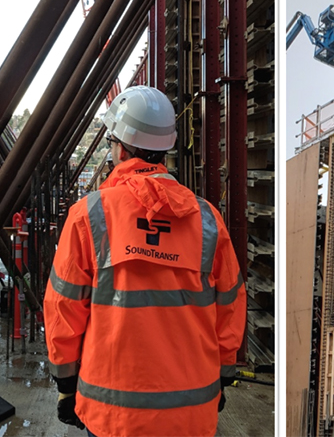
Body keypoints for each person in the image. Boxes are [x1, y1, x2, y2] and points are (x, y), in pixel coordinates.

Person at [44, 86, 246, 437]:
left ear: (120, 147)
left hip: (113, 414)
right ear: (165, 149)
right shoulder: (208, 221)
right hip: (191, 413)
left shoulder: (89, 215)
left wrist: (65, 384)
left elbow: (64, 309)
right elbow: (230, 307)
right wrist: (223, 377)